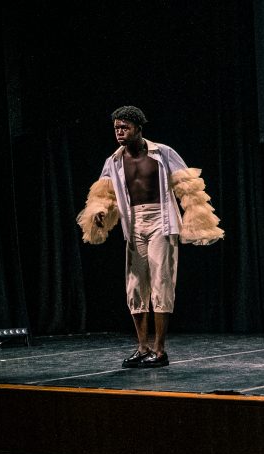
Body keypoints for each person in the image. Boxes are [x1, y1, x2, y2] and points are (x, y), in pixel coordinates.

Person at [76, 106, 224, 368]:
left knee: (161, 281)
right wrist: (99, 212)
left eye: (125, 127)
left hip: (161, 220)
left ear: (138, 128)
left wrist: (196, 217)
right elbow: (104, 194)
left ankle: (160, 349)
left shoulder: (162, 153)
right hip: (133, 223)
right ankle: (142, 347)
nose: (120, 132)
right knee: (135, 286)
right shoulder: (113, 161)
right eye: (116, 128)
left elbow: (188, 187)